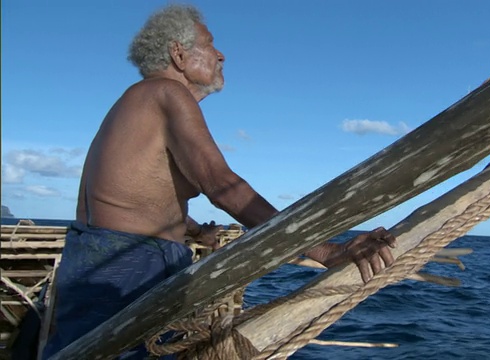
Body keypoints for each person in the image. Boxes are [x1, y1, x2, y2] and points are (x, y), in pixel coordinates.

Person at [41, 5, 396, 359]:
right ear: (178, 54)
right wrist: (326, 249)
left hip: (96, 259)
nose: (221, 54)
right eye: (210, 44)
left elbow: (132, 196)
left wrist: (194, 232)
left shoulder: (136, 101)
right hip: (129, 266)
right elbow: (222, 185)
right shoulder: (168, 93)